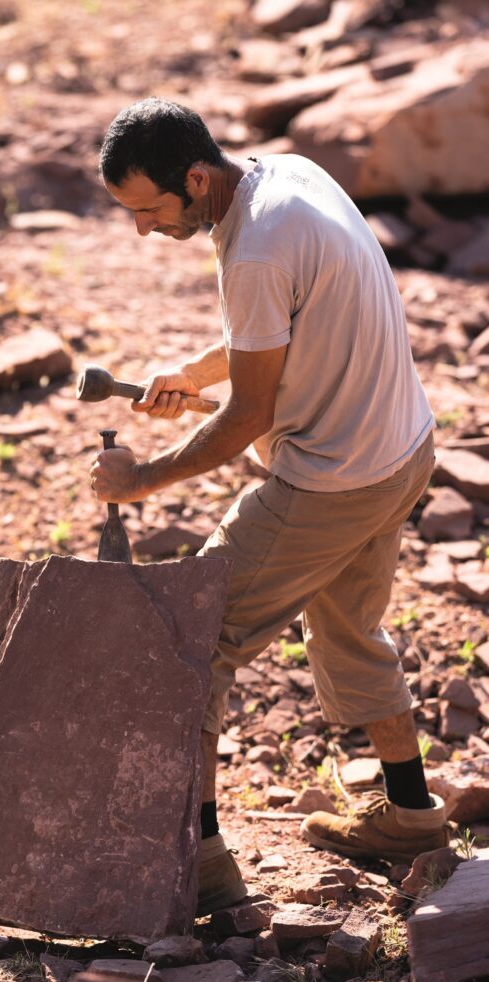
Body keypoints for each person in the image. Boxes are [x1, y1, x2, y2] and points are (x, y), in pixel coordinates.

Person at [90, 97, 448, 916]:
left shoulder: (251, 250)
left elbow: (248, 416)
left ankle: (200, 864)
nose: (141, 230)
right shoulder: (286, 176)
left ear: (194, 178)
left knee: (190, 637)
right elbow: (279, 329)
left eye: (148, 210)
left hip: (330, 480)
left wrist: (139, 479)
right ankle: (411, 815)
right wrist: (195, 375)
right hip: (400, 447)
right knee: (350, 629)